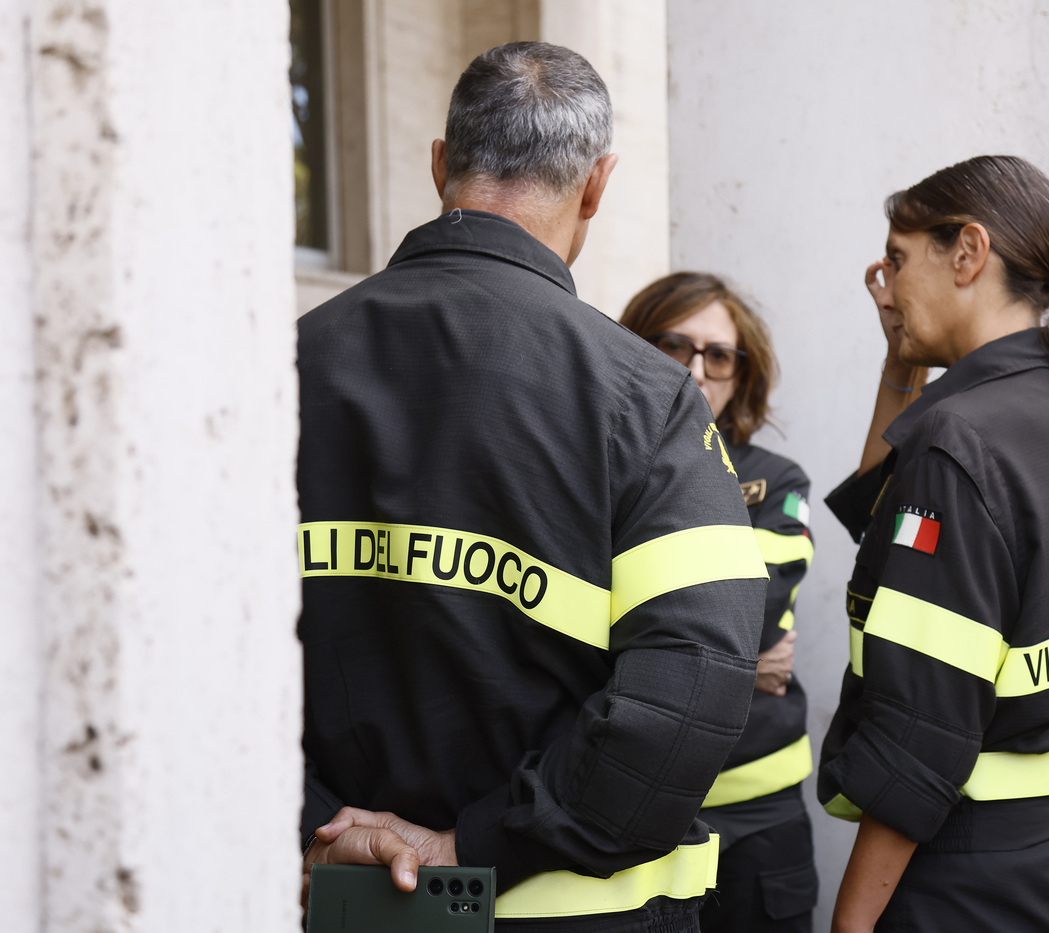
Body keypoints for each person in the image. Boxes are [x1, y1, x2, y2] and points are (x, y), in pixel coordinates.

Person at [295, 42, 769, 932]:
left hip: (344, 906)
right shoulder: (646, 397)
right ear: (597, 185)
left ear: (440, 164)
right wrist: (467, 847)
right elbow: (695, 685)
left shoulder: (287, 361)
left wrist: (314, 823)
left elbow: (189, 641)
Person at [819, 155, 1049, 933]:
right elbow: (889, 531)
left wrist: (851, 923)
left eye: (897, 259)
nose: (887, 288)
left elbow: (921, 729)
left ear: (968, 251)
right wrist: (904, 362)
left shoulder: (960, 437)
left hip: (975, 878)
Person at [620, 272, 819, 933]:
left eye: (718, 354)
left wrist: (638, 643)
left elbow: (743, 612)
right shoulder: (598, 470)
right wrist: (740, 665)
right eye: (673, 344)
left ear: (742, 375)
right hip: (629, 808)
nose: (696, 369)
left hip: (759, 818)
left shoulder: (778, 482)